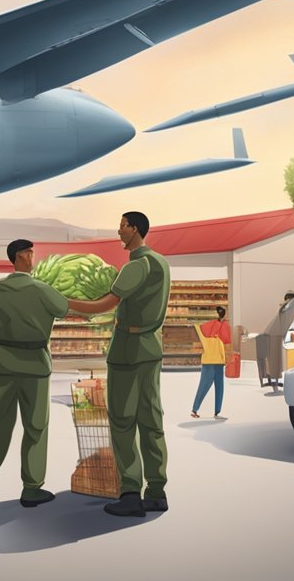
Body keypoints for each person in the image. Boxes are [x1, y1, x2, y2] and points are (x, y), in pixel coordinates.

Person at [67, 211, 171, 518]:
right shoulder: (161, 263)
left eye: (123, 226)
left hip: (127, 349)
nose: (119, 232)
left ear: (135, 229)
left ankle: (129, 493)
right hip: (151, 347)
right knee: (152, 421)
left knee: (124, 423)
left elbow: (104, 305)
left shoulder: (135, 266)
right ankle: (156, 491)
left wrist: (65, 303)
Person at [0, 238, 68, 509]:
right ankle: (32, 488)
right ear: (23, 256)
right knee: (35, 426)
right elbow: (67, 309)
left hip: (4, 364)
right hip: (35, 366)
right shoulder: (43, 289)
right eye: (31, 253)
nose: (33, 257)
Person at [191, 305, 231, 419]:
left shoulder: (205, 328)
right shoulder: (220, 327)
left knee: (205, 386)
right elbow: (226, 339)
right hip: (215, 360)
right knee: (217, 387)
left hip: (211, 360)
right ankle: (215, 412)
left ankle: (196, 409)